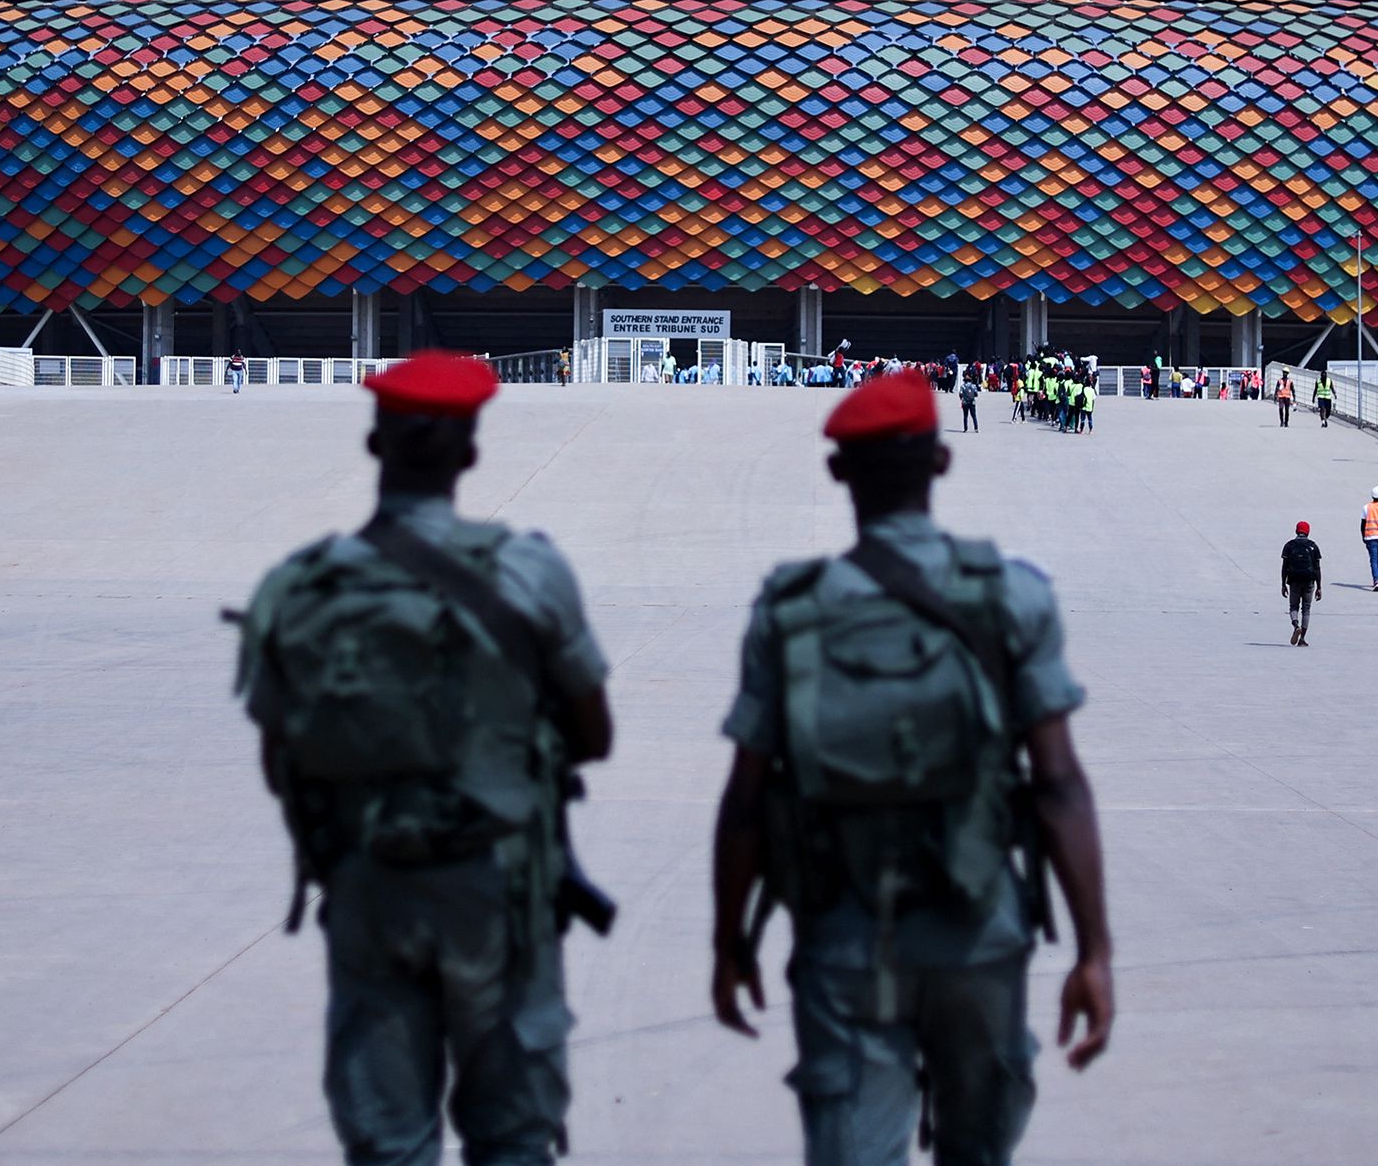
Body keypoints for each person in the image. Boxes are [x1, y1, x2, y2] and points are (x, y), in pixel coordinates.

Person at [710, 370, 1113, 1166]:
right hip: (978, 928)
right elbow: (1060, 782)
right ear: (942, 462)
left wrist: (730, 940)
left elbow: (747, 798)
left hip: (844, 934)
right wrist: (1094, 950)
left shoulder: (791, 610)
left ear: (837, 472)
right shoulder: (1010, 597)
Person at [233, 351, 615, 1165]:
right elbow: (596, 735)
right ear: (472, 453)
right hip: (499, 886)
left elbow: (280, 757)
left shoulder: (304, 587)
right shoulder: (530, 571)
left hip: (371, 886)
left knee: (389, 1143)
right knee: (513, 1136)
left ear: (375, 444)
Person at [1280, 520, 1322, 646]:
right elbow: (1317, 568)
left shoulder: (1289, 545)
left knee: (1293, 607)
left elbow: (1284, 566)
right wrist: (1319, 586)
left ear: (1296, 531)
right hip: (1309, 580)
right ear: (1308, 531)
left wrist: (1283, 584)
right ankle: (1302, 639)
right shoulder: (1313, 546)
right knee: (1306, 609)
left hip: (1294, 581)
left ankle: (1295, 625)